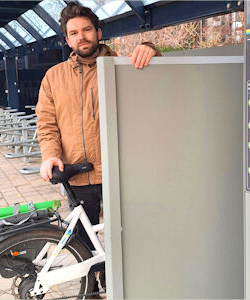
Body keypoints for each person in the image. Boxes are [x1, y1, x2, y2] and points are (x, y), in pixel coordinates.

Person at [35, 2, 159, 296]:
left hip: (118, 171)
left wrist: (151, 48)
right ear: (67, 39)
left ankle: (123, 286)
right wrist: (50, 154)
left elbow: (158, 81)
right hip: (77, 173)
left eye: (87, 29)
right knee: (84, 240)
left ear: (98, 32)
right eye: (74, 32)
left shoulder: (124, 67)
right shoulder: (54, 77)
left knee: (126, 236)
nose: (82, 37)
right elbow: (47, 124)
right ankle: (91, 289)